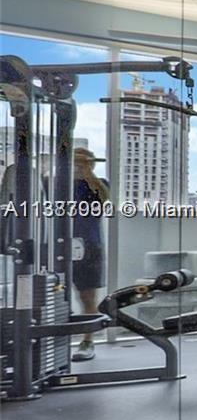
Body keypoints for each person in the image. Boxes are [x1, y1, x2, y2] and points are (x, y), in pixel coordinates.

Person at [70, 148, 110, 360]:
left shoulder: (97, 183)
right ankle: (53, 342)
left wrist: (87, 172)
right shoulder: (57, 183)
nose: (78, 165)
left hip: (90, 246)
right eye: (75, 161)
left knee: (87, 297)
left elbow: (104, 199)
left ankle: (87, 342)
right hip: (58, 246)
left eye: (83, 162)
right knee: (53, 295)